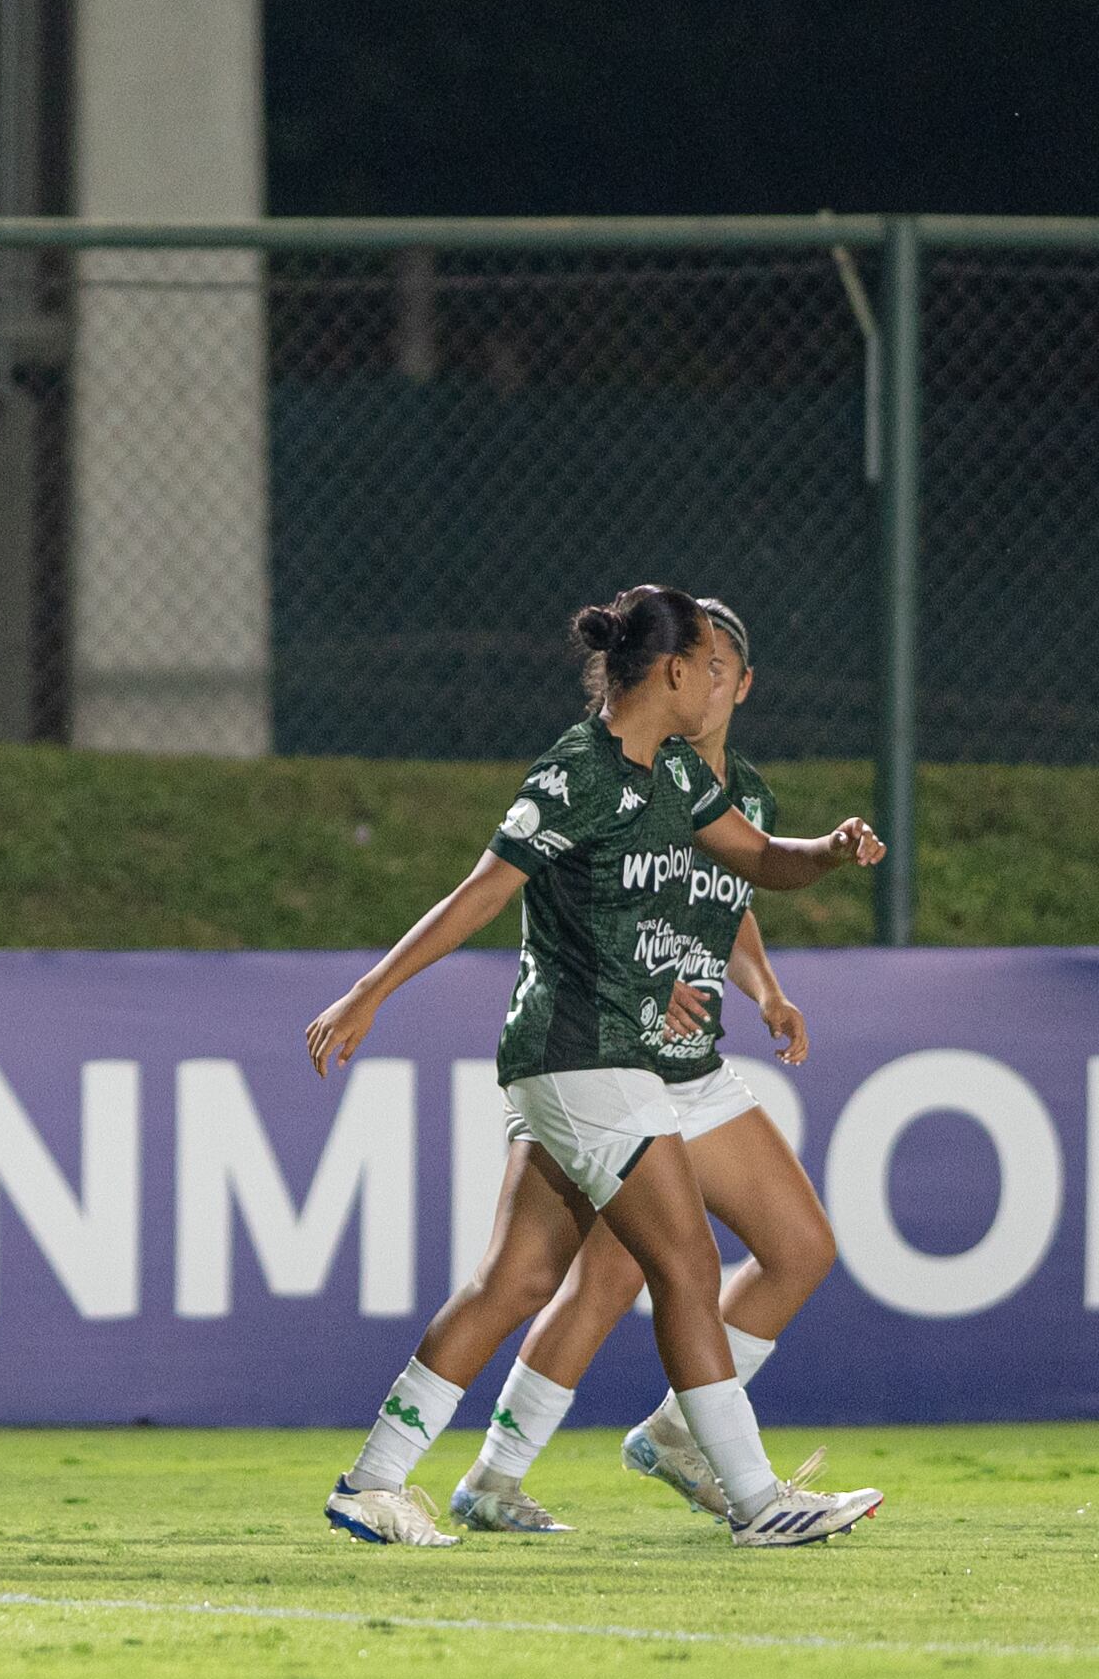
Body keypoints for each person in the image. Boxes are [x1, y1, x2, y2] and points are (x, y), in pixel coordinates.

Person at [303, 585, 886, 1549]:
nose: (720, 681)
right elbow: (479, 896)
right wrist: (370, 990)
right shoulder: (575, 773)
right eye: (707, 665)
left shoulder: (671, 776)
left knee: (519, 1279)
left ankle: (375, 1480)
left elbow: (756, 858)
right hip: (585, 1055)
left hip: (638, 1062)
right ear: (669, 673)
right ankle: (752, 1497)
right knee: (685, 1262)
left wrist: (826, 852)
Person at [451, 597, 837, 1530]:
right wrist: (641, 982)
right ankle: (499, 1478)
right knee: (606, 1277)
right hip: (614, 1054)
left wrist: (765, 988)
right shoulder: (636, 774)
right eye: (692, 662)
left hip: (690, 1065)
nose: (702, 680)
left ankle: (667, 1435)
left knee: (797, 1249)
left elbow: (730, 894)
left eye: (718, 668)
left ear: (740, 685)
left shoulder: (742, 796)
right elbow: (609, 906)